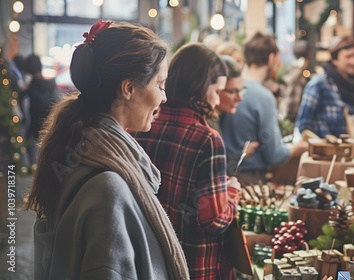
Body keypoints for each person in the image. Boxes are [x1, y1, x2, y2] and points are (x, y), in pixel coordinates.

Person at [25, 20, 189, 280]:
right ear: (129, 89)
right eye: (160, 84)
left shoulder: (79, 150)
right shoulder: (108, 189)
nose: (164, 97)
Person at [133, 43, 242, 280]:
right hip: (194, 265)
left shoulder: (143, 126)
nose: (216, 100)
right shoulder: (207, 139)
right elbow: (213, 220)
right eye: (216, 91)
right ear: (200, 88)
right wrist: (231, 192)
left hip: (152, 260)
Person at [219, 32, 308, 185]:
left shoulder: (227, 88)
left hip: (223, 175)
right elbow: (276, 155)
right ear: (271, 58)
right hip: (248, 181)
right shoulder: (263, 97)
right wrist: (297, 148)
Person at [295, 36, 354, 138]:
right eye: (348, 57)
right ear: (335, 60)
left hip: (350, 151)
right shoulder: (318, 85)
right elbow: (303, 125)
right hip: (324, 152)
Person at [209, 55, 259, 175]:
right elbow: (218, 173)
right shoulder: (209, 126)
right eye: (232, 91)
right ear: (216, 89)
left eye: (241, 90)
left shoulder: (219, 118)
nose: (240, 98)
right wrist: (241, 155)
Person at [23, 54, 58, 164]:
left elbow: (26, 117)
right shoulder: (52, 85)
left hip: (35, 135)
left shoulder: (28, 92)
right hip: (53, 133)